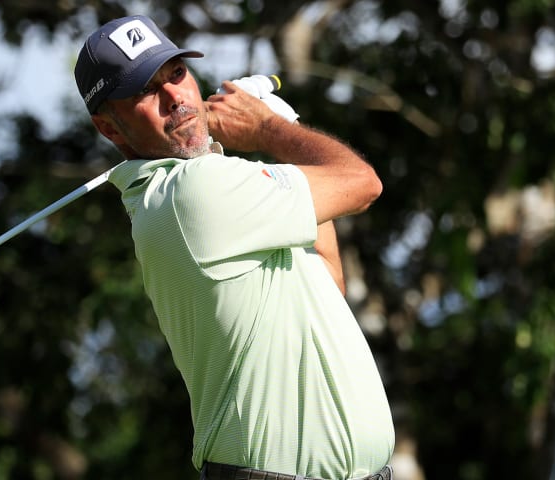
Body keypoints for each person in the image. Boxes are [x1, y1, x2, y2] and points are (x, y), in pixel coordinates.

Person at [74, 15, 395, 480]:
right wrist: (267, 129)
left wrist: (283, 132)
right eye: (146, 90)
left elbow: (329, 279)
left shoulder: (217, 192)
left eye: (176, 73)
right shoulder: (192, 191)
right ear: (111, 129)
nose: (175, 98)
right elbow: (362, 183)